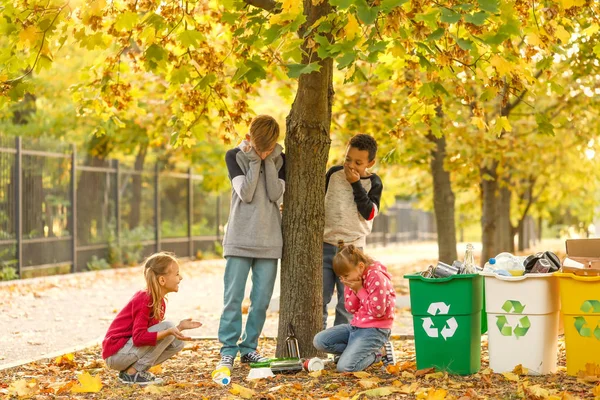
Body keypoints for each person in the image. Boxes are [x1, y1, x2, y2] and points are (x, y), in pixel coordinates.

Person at [217, 114, 285, 370]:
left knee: (261, 300)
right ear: (250, 139)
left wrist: (269, 160)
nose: (264, 151)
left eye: (268, 147)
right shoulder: (234, 156)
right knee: (233, 298)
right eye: (259, 146)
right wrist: (255, 159)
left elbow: (274, 193)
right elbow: (245, 193)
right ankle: (227, 350)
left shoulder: (281, 159)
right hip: (239, 239)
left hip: (269, 241)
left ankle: (249, 349)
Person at [102, 252, 202, 385]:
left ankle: (132, 372)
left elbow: (154, 338)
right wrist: (169, 330)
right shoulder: (144, 298)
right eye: (177, 274)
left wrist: (179, 328)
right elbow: (139, 338)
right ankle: (132, 374)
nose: (181, 277)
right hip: (116, 353)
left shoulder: (159, 302)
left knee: (178, 342)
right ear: (162, 280)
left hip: (127, 351)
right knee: (167, 327)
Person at [322, 134, 383, 329]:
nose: (351, 165)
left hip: (353, 249)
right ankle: (317, 345)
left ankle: (341, 350)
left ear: (370, 163)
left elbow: (369, 212)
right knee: (319, 298)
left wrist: (356, 184)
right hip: (325, 245)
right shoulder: (333, 174)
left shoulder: (374, 183)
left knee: (346, 304)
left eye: (358, 162)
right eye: (348, 159)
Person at [313, 245, 396, 372]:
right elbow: (351, 308)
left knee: (345, 367)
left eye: (346, 276)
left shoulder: (376, 277)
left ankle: (379, 352)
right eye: (341, 277)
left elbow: (378, 312)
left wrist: (359, 290)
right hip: (356, 326)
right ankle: (354, 353)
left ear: (361, 266)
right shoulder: (353, 279)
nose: (343, 280)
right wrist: (352, 289)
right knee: (320, 341)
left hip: (375, 329)